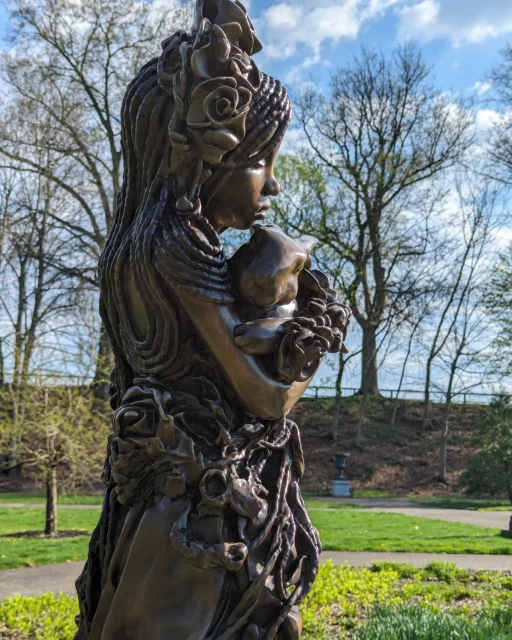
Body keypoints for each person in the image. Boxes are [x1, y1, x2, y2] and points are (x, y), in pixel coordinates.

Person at [75, 2, 350, 638]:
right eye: (265, 163)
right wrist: (311, 318)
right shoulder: (178, 248)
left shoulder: (133, 246)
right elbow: (268, 397)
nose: (273, 186)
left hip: (151, 504)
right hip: (204, 519)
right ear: (208, 158)